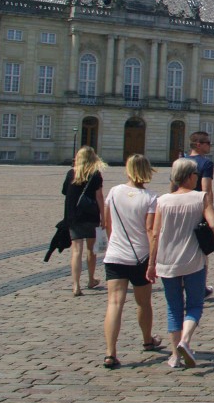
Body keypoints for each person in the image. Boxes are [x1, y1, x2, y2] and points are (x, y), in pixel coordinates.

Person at [147, 158, 214, 369]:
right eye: (195, 174)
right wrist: (206, 238)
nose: (197, 177)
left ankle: (174, 356)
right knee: (195, 304)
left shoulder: (163, 201)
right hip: (193, 260)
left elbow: (154, 235)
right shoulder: (201, 198)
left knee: (173, 308)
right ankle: (185, 341)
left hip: (166, 261)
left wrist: (151, 264)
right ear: (189, 177)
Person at [100, 154, 163, 369]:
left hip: (115, 255)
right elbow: (150, 230)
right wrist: (153, 260)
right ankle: (147, 339)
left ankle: (110, 352)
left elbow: (107, 223)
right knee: (143, 303)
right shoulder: (151, 197)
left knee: (114, 303)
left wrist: (112, 245)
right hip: (140, 256)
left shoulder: (114, 191)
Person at [63, 146, 107, 296]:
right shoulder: (95, 174)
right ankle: (90, 279)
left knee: (76, 251)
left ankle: (76, 286)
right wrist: (103, 216)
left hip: (74, 216)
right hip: (91, 215)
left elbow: (64, 192)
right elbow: (99, 197)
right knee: (91, 250)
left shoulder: (71, 173)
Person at [188, 132, 214, 298]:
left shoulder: (179, 162)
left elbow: (172, 188)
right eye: (207, 143)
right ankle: (201, 287)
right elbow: (206, 190)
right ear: (198, 144)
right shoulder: (205, 163)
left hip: (179, 207)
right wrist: (210, 212)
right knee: (202, 250)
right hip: (198, 209)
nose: (209, 146)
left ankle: (182, 283)